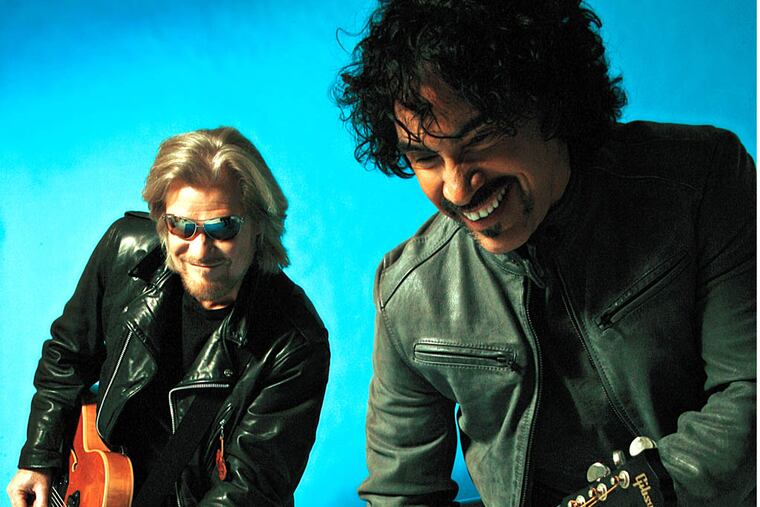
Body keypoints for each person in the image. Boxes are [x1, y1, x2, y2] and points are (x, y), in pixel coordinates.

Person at [335, 1, 756, 505]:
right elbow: (401, 494)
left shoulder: (700, 181)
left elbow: (750, 393)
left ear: (551, 105)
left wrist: (639, 496)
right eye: (425, 157)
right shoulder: (409, 294)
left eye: (479, 139)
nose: (457, 188)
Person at [7, 127, 330, 506]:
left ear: (259, 224)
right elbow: (67, 356)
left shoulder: (294, 340)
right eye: (182, 226)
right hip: (100, 488)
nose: (200, 249)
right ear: (162, 220)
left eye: (223, 227)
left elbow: (249, 489)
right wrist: (39, 460)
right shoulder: (125, 251)